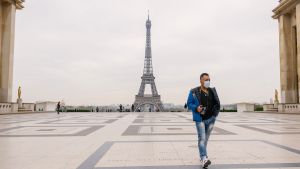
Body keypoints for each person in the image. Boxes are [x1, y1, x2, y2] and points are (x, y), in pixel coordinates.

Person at [187, 73, 220, 168]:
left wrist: (214, 116)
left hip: (211, 119)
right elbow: (189, 103)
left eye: (209, 79)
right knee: (202, 138)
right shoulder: (194, 91)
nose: (208, 81)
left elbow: (217, 103)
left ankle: (203, 155)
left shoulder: (212, 91)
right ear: (201, 80)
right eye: (206, 80)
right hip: (200, 119)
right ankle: (204, 158)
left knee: (205, 139)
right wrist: (196, 108)